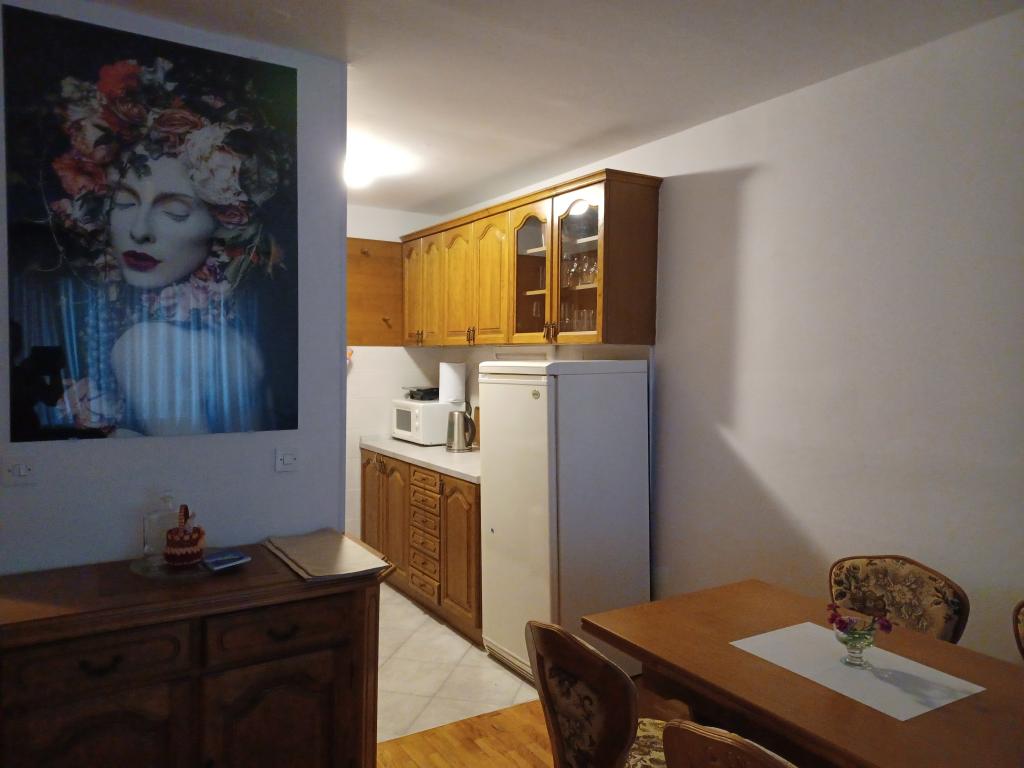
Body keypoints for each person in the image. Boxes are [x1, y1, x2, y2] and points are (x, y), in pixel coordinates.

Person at [42, 57, 292, 436]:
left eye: (175, 211)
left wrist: (112, 439)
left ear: (226, 221)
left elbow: (191, 465)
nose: (139, 231)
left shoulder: (146, 344)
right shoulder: (237, 341)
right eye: (124, 203)